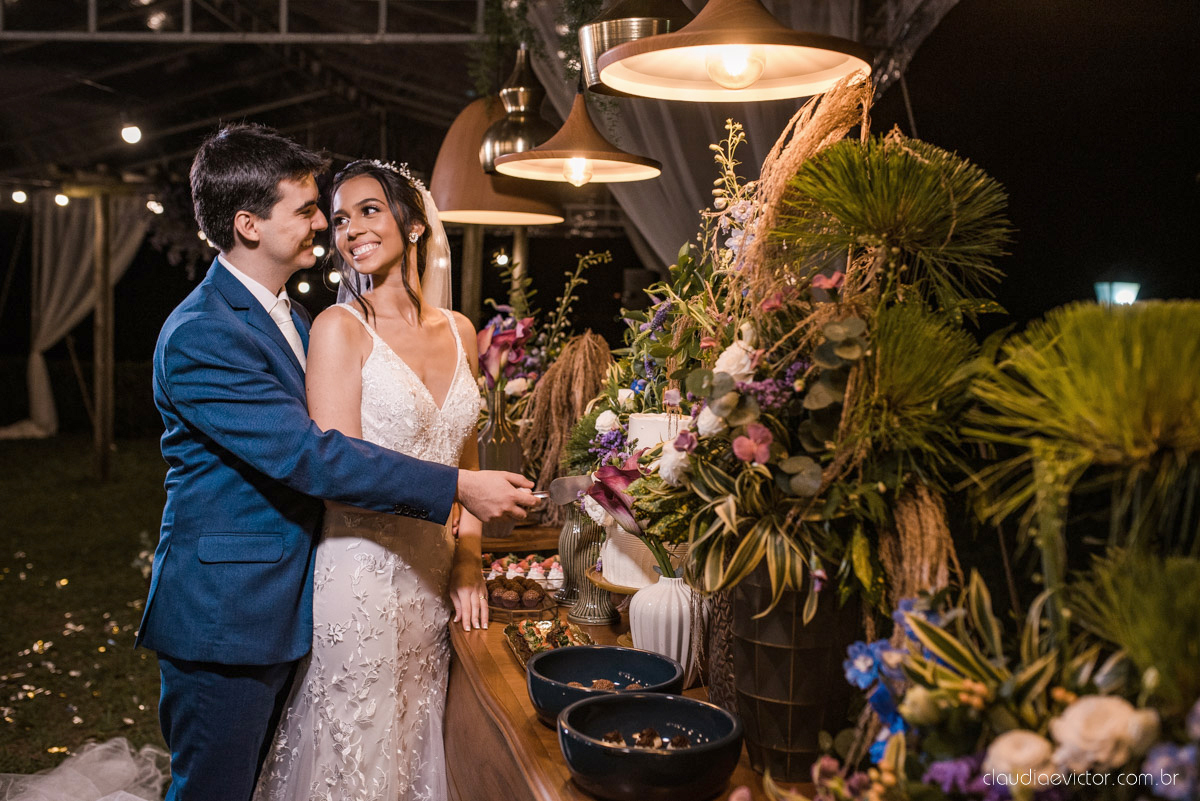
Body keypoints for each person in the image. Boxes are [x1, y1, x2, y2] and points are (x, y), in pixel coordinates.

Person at [136, 124, 536, 801]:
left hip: (305, 593)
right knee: (216, 789)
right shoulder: (205, 333)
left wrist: (462, 549)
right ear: (248, 224)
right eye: (309, 208)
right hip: (227, 614)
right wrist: (459, 486)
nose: (326, 222)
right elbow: (312, 457)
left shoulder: (288, 315)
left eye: (345, 210)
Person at [252, 158, 486, 801]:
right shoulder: (338, 330)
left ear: (413, 226)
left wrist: (468, 564)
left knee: (414, 744)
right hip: (362, 579)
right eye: (340, 218)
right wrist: (462, 501)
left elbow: (463, 466)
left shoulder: (462, 332)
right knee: (359, 752)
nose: (350, 228)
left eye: (369, 210)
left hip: (434, 579)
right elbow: (338, 475)